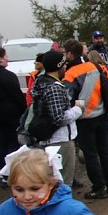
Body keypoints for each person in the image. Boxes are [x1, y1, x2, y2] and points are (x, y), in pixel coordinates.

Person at [63, 41, 108, 198]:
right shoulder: (94, 66)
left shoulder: (71, 74)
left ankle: (98, 187)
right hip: (101, 114)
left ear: (69, 54)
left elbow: (67, 98)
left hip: (84, 118)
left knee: (90, 155)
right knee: (105, 151)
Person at [30, 50, 85, 183]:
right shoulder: (54, 87)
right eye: (64, 64)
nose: (66, 66)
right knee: (63, 182)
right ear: (58, 66)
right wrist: (78, 108)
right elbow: (59, 118)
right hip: (59, 141)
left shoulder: (41, 83)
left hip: (50, 139)